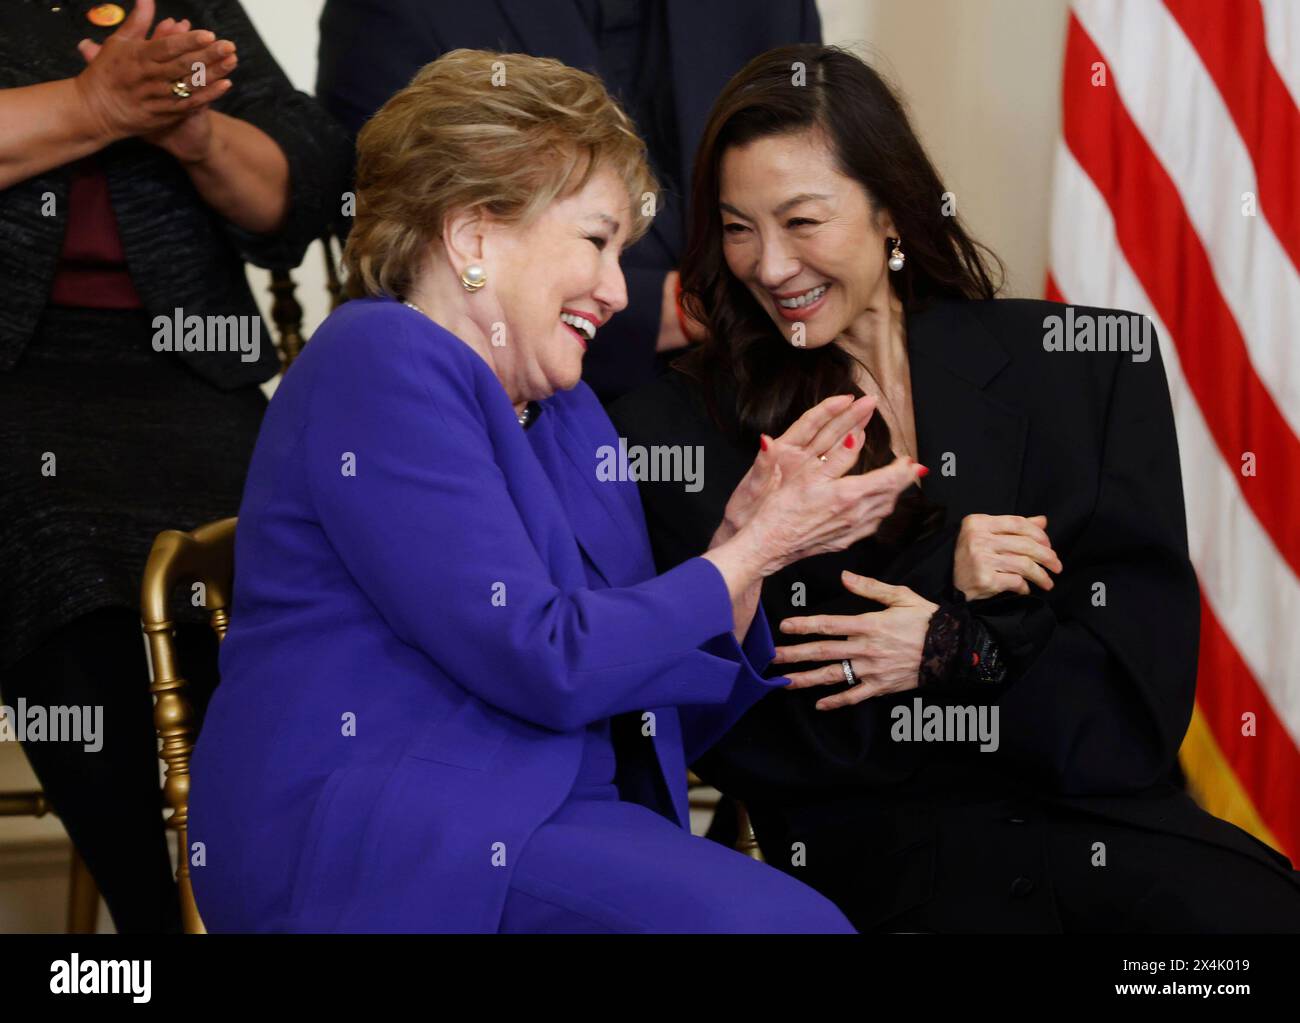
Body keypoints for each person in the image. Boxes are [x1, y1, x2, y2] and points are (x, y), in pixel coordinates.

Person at [185, 49, 926, 933]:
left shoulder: (565, 408)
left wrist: (744, 537)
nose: (619, 291)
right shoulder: (377, 359)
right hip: (391, 833)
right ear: (473, 236)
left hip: (544, 817)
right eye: (596, 240)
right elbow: (542, 655)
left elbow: (646, 688)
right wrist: (752, 548)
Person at [609, 44, 1300, 933]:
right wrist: (969, 620)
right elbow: (765, 744)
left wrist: (946, 643)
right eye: (738, 227)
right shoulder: (672, 429)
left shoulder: (1088, 368)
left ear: (892, 209)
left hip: (1115, 841)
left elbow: (1134, 708)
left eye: (801, 221)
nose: (769, 264)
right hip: (890, 871)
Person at [0, 0, 351, 933]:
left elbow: (307, 183)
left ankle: (277, 900)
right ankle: (157, 928)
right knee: (56, 559)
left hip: (189, 369)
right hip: (17, 379)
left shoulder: (177, 5)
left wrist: (198, 135)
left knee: (294, 554)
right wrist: (95, 105)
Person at [314, 0, 822, 403]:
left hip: (775, 376)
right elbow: (396, 236)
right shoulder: (386, 378)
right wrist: (687, 307)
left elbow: (818, 177)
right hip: (575, 387)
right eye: (594, 239)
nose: (615, 292)